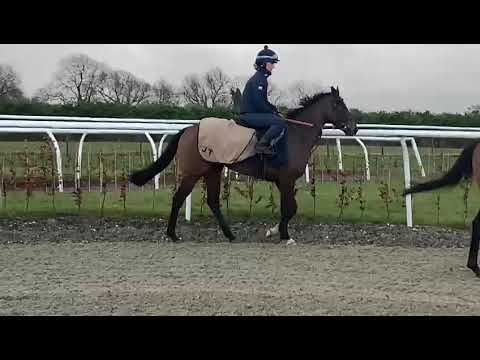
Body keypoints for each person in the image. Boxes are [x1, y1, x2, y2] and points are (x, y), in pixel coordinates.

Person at [239, 45, 287, 156]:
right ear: (264, 63)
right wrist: (274, 113)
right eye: (272, 63)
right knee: (279, 122)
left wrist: (274, 110)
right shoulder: (259, 79)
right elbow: (259, 103)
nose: (273, 67)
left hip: (252, 114)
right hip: (248, 115)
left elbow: (263, 102)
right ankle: (261, 146)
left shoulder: (261, 78)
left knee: (277, 118)